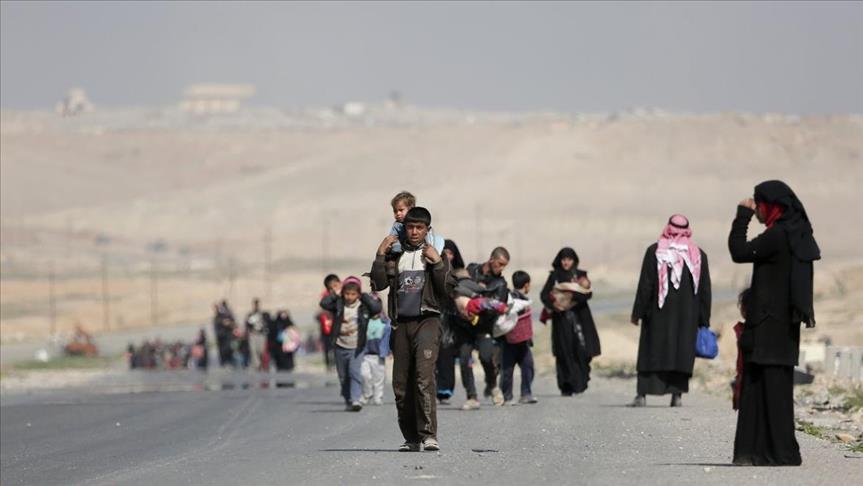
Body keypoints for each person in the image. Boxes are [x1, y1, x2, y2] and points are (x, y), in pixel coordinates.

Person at [729, 180, 819, 466]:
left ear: (771, 206)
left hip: (766, 326)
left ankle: (760, 452)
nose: (757, 210)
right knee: (774, 389)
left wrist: (742, 216)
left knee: (759, 388)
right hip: (784, 328)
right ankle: (774, 452)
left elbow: (739, 251)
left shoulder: (777, 236)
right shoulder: (797, 234)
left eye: (759, 204)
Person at [370, 206, 453, 452]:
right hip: (401, 324)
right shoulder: (396, 255)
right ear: (404, 228)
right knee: (401, 384)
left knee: (423, 378)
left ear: (427, 230)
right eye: (410, 227)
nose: (414, 232)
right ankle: (411, 438)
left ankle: (428, 435)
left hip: (428, 321)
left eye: (419, 227)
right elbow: (378, 284)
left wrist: (438, 263)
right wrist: (379, 255)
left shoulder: (436, 253)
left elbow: (447, 290)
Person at [630, 215, 711, 407]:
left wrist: (638, 312)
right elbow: (704, 291)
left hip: (657, 315)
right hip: (687, 318)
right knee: (680, 353)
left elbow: (645, 286)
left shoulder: (655, 251)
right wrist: (703, 319)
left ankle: (642, 396)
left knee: (652, 352)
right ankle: (677, 396)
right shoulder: (698, 255)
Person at [541, 248, 601, 396]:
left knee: (582, 349)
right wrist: (555, 304)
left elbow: (588, 294)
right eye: (563, 259)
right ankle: (566, 385)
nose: (566, 262)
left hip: (580, 318)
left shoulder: (580, 275)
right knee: (564, 351)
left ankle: (580, 382)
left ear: (574, 260)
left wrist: (573, 295)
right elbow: (544, 295)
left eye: (569, 259)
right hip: (562, 320)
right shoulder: (555, 276)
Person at [457, 247, 510, 408]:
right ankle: (472, 397)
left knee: (486, 357)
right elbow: (460, 287)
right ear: (491, 259)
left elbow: (496, 308)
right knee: (464, 358)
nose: (501, 268)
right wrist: (463, 310)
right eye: (500, 264)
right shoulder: (472, 269)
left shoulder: (500, 283)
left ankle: (493, 386)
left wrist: (477, 314)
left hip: (484, 327)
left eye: (504, 266)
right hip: (465, 326)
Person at [320, 276, 382, 411]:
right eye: (347, 294)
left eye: (353, 294)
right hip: (340, 345)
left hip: (356, 346)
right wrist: (335, 294)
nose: (349, 297)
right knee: (343, 377)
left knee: (354, 373)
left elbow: (377, 308)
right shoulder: (339, 304)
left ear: (358, 294)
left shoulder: (363, 306)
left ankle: (355, 400)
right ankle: (348, 399)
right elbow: (324, 304)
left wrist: (364, 296)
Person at [436, 239, 467, 405]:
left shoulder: (461, 274)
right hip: (436, 315)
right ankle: (435, 388)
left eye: (451, 253)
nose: (448, 256)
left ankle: (445, 389)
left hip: (455, 318)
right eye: (445, 253)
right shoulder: (433, 270)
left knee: (448, 352)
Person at [500, 270, 537, 405]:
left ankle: (523, 394)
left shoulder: (514, 297)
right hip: (511, 340)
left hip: (518, 340)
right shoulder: (515, 298)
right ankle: (508, 396)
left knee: (524, 367)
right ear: (526, 285)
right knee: (511, 369)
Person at [360, 308, 392, 405]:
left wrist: (390, 350)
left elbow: (389, 338)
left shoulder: (385, 323)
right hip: (365, 354)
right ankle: (367, 393)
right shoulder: (364, 321)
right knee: (364, 375)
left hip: (378, 355)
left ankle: (378, 396)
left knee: (379, 378)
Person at [318, 274, 341, 371]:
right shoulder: (334, 301)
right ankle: (330, 364)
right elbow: (323, 303)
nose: (334, 289)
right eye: (331, 288)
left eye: (335, 286)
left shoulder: (350, 294)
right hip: (334, 335)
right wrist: (335, 295)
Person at [245, 298, 268, 371]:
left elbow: (266, 324)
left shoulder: (263, 315)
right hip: (253, 335)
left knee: (261, 350)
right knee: (253, 350)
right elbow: (247, 324)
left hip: (261, 335)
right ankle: (257, 365)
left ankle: (262, 363)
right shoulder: (250, 315)